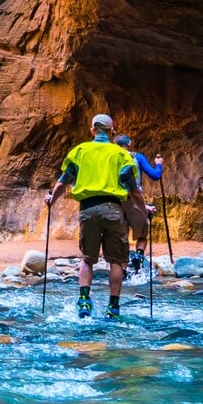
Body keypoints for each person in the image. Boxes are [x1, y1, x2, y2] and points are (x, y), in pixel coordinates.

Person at [46, 113, 139, 318]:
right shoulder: (121, 154)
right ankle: (113, 307)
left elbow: (63, 181)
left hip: (88, 209)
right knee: (116, 261)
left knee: (87, 259)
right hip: (113, 209)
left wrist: (52, 200)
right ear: (112, 131)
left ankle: (84, 301)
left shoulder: (80, 151)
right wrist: (143, 208)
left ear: (92, 130)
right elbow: (133, 189)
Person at [114, 134, 164, 270]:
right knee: (142, 234)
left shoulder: (111, 158)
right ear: (129, 143)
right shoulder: (137, 157)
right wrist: (159, 165)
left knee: (122, 237)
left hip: (116, 200)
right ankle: (139, 255)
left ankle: (122, 270)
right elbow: (155, 175)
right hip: (135, 199)